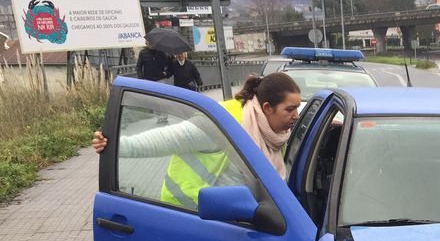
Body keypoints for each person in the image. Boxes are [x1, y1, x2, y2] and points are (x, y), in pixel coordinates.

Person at [92, 73, 301, 206]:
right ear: (267, 108)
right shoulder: (223, 124)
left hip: (233, 220)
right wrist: (113, 145)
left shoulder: (273, 133)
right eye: (290, 109)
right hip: (189, 215)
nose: (296, 116)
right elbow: (163, 140)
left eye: (298, 109)